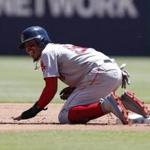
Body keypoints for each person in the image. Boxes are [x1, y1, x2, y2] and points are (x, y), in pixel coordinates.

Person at [13, 26, 149, 124]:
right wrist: (75, 88)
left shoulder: (47, 53)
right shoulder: (57, 48)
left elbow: (50, 88)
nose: (28, 49)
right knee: (75, 109)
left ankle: (107, 105)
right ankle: (124, 102)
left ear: (42, 41)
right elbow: (82, 64)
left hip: (101, 74)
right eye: (25, 46)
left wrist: (34, 110)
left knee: (65, 116)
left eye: (31, 44)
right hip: (110, 72)